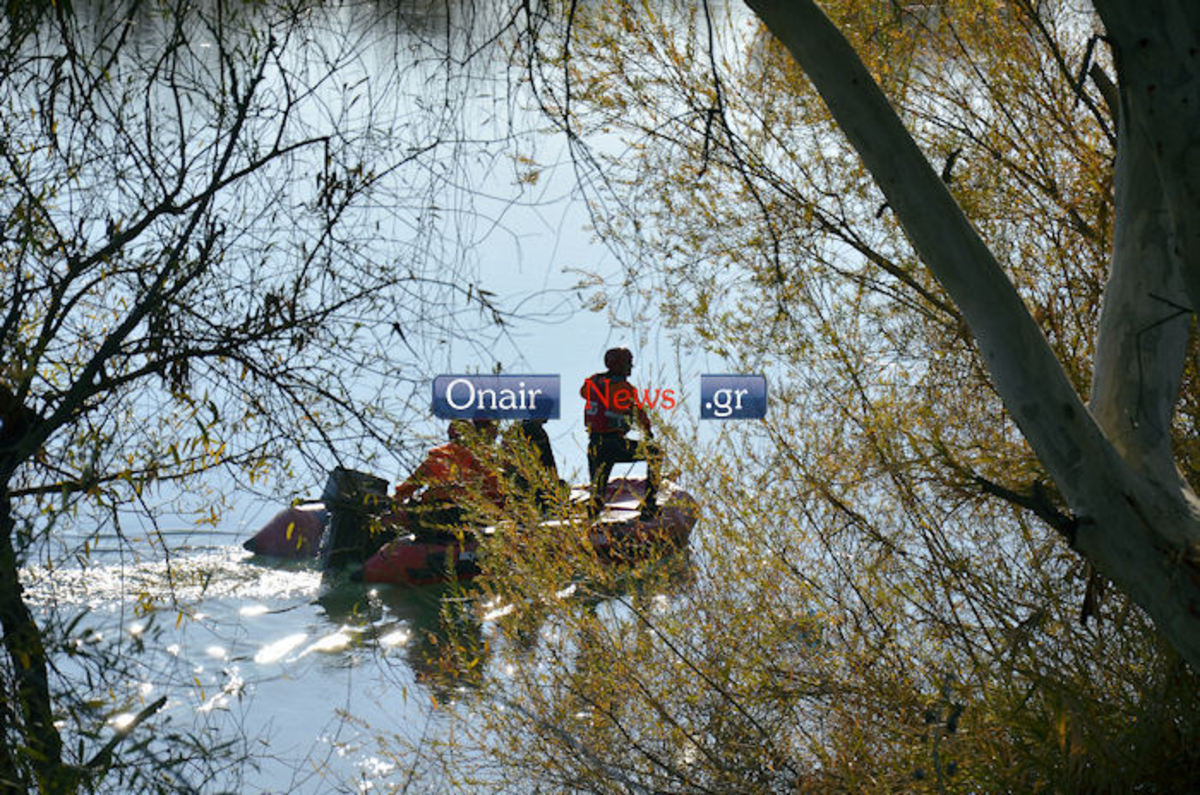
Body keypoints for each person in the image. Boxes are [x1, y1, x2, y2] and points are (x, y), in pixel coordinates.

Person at [580, 347, 661, 519]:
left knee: (597, 491)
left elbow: (583, 392)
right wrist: (648, 433)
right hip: (614, 443)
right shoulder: (623, 388)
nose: (630, 367)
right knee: (655, 454)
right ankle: (649, 505)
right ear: (620, 365)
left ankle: (591, 521)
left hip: (594, 446)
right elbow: (639, 413)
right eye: (628, 364)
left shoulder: (593, 381)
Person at [391, 419, 502, 538]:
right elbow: (495, 493)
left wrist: (395, 502)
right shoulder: (483, 459)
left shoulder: (438, 457)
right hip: (469, 515)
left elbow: (407, 487)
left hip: (435, 514)